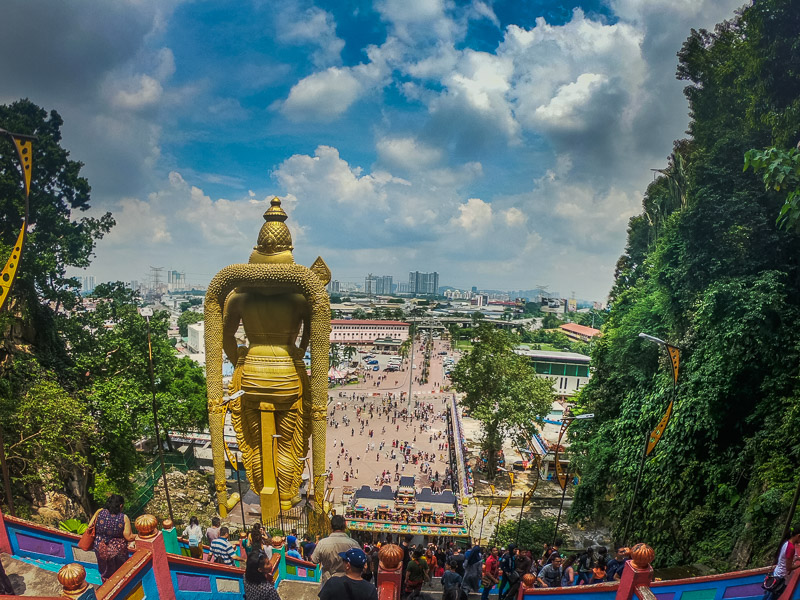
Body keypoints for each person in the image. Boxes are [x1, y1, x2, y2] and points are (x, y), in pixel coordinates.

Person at [88, 494, 135, 582]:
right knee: (120, 572)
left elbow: (90, 525)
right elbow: (128, 537)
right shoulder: (123, 517)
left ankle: (106, 585)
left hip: (100, 547)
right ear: (121, 505)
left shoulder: (100, 512)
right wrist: (137, 535)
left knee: (104, 570)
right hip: (116, 550)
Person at [311, 515, 361, 586]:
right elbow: (361, 564)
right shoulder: (354, 544)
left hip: (328, 583)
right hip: (348, 584)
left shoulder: (322, 543)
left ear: (331, 527)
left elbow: (314, 560)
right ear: (345, 526)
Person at [763, 526, 800, 600]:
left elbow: (787, 558)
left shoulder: (786, 543)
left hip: (776, 574)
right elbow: (788, 567)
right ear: (798, 536)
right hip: (781, 579)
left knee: (767, 596)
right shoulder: (791, 548)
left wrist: (797, 558)